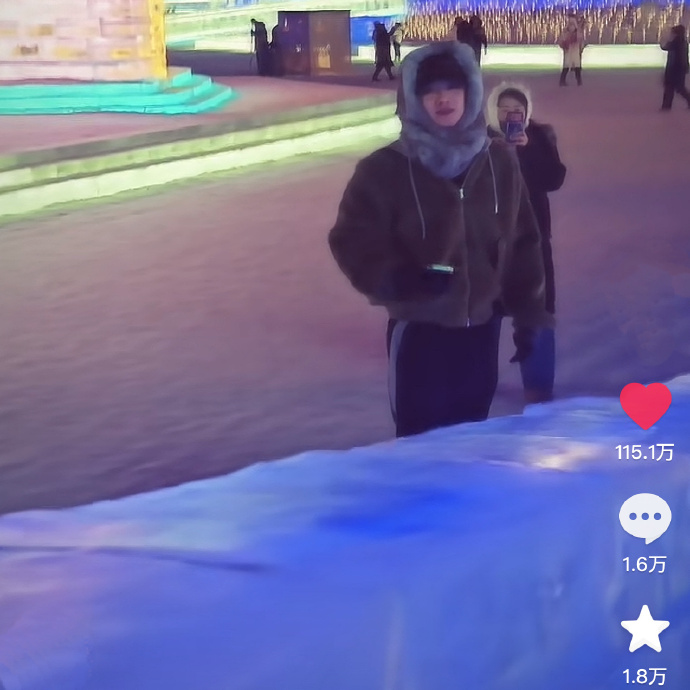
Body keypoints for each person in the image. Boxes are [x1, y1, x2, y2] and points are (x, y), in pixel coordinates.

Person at [328, 42, 552, 438]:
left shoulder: (499, 162)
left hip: (481, 332)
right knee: (420, 444)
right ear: (413, 98)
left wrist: (528, 315)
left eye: (452, 86)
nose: (442, 98)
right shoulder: (384, 169)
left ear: (471, 91)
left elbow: (522, 242)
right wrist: (399, 279)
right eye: (429, 89)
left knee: (469, 438)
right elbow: (352, 239)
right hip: (420, 335)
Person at [486, 82, 567, 403]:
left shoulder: (539, 137)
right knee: (484, 316)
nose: (510, 116)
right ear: (493, 111)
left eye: (517, 111)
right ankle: (478, 380)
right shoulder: (479, 140)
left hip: (533, 243)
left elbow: (554, 178)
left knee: (537, 312)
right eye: (504, 110)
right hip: (489, 246)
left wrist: (527, 151)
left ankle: (538, 388)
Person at [660, 24, 690, 110]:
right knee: (678, 87)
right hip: (680, 67)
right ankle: (666, 105)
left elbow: (665, 47)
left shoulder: (676, 42)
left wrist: (662, 41)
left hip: (674, 68)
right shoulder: (683, 42)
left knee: (671, 87)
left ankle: (666, 105)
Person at [558, 13, 585, 85]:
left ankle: (578, 81)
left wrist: (580, 48)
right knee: (568, 65)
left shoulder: (576, 32)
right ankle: (563, 81)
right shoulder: (567, 32)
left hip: (574, 50)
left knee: (576, 65)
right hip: (569, 50)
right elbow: (562, 42)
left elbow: (580, 40)